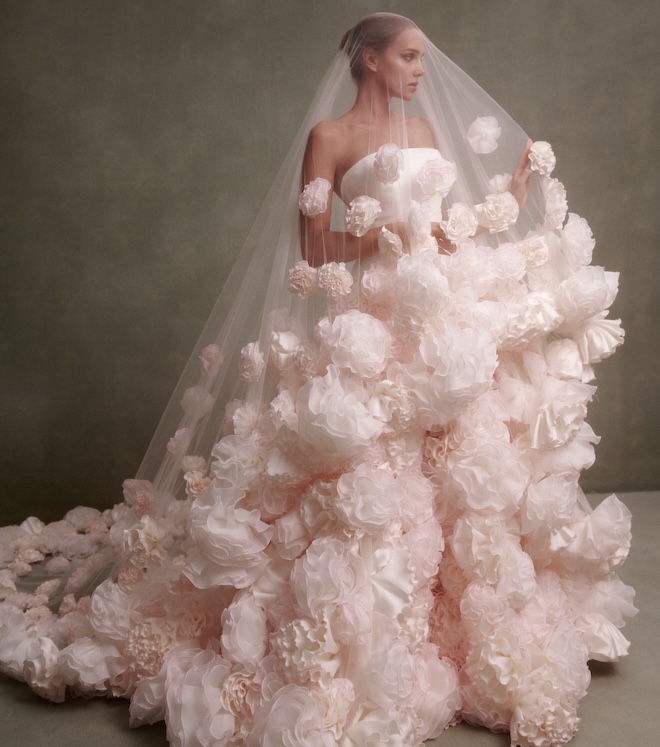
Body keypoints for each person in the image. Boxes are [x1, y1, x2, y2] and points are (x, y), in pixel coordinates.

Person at [0, 12, 635, 747]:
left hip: (437, 311)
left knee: (463, 462)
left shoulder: (426, 136)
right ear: (368, 60)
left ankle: (453, 613)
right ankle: (363, 615)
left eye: (422, 58)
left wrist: (514, 191)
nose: (421, 70)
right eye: (407, 56)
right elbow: (313, 244)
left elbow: (447, 230)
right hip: (369, 317)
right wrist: (378, 234)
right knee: (361, 467)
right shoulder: (328, 138)